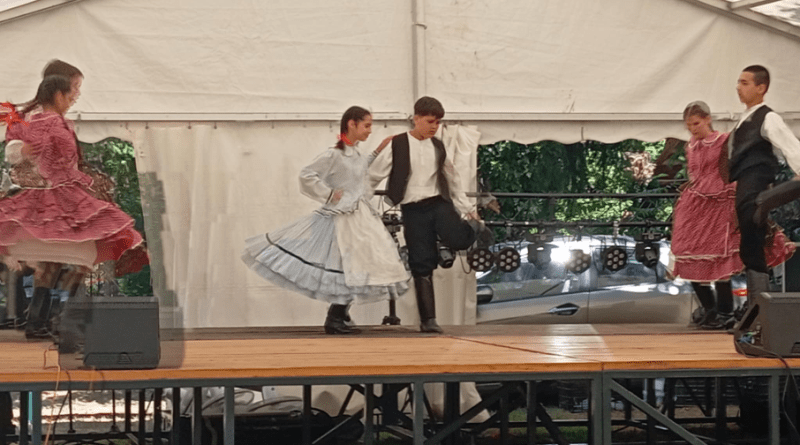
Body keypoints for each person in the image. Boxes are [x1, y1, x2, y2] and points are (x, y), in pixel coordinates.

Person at [242, 106, 410, 334]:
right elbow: (307, 175)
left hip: (359, 216)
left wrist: (379, 149)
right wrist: (330, 194)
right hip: (344, 218)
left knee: (362, 264)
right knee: (350, 265)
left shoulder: (354, 153)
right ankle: (336, 317)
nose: (370, 130)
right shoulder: (333, 154)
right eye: (367, 125)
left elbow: (359, 167)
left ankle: (340, 314)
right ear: (351, 124)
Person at [0, 75, 143, 338]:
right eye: (72, 92)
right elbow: (50, 161)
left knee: (66, 261)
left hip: (54, 195)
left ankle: (43, 322)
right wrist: (88, 181)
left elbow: (24, 152)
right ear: (58, 95)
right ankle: (59, 322)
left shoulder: (42, 122)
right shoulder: (51, 123)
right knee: (82, 259)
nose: (75, 96)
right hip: (60, 196)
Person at [369, 96, 491, 333]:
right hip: (413, 209)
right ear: (416, 119)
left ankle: (472, 230)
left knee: (458, 238)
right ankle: (428, 321)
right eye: (430, 121)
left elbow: (452, 179)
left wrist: (468, 210)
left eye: (438, 122)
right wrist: (360, 200)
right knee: (421, 262)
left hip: (438, 204)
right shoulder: (398, 144)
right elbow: (373, 175)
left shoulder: (438, 146)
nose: (435, 126)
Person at [728, 65, 800, 306]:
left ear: (761, 88)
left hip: (755, 186)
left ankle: (759, 311)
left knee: (752, 247)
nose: (738, 87)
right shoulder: (745, 118)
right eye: (738, 82)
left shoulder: (768, 117)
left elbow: (791, 146)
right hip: (745, 187)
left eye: (745, 83)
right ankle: (756, 309)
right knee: (750, 248)